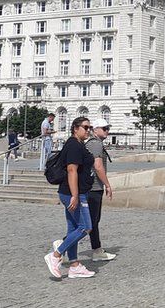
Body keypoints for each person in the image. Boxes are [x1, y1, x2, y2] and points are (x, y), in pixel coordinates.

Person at [44, 117, 96, 279]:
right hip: (74, 193)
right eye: (85, 127)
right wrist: (75, 195)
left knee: (73, 228)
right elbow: (72, 170)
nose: (88, 130)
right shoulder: (74, 145)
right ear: (75, 128)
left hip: (74, 192)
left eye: (89, 127)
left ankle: (74, 265)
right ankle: (56, 254)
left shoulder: (78, 144)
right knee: (85, 227)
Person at [84, 118, 116, 261]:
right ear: (95, 130)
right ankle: (62, 245)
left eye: (107, 128)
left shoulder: (94, 143)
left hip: (94, 187)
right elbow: (98, 166)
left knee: (93, 221)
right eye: (104, 128)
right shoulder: (96, 144)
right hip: (94, 187)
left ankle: (97, 250)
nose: (107, 131)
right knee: (89, 222)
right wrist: (107, 185)